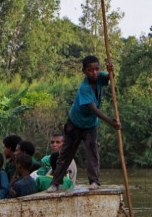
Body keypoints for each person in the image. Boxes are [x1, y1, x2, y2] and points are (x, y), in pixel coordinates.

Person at [48, 55, 120, 192]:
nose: (94, 73)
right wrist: (111, 122)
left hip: (90, 125)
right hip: (75, 123)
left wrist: (111, 71)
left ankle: (94, 181)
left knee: (92, 151)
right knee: (66, 154)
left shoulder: (99, 76)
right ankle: (55, 183)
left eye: (97, 69)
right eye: (90, 70)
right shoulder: (84, 88)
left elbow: (108, 78)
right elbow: (93, 109)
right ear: (84, 71)